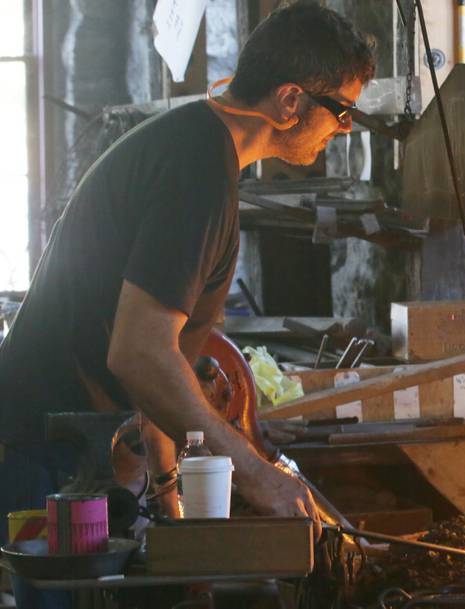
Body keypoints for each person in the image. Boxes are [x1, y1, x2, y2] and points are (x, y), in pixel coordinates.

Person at [0, 1, 375, 546]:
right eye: (341, 112)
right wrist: (256, 475)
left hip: (63, 454)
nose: (342, 131)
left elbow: (160, 361)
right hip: (43, 461)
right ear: (291, 100)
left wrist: (167, 493)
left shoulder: (195, 149)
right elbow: (139, 353)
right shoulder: (197, 171)